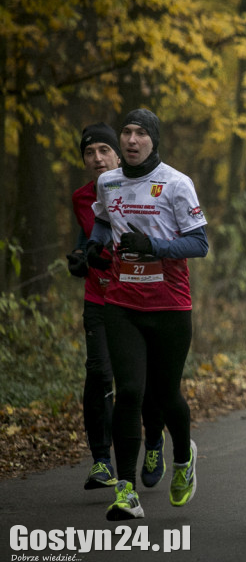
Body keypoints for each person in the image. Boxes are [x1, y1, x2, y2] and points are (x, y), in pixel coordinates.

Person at [87, 109, 208, 520]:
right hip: (123, 304)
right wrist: (93, 246)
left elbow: (199, 244)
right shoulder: (108, 182)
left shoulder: (176, 184)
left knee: (165, 394)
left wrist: (154, 247)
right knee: (130, 392)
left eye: (140, 133)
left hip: (170, 306)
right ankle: (125, 491)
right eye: (127, 133)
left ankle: (183, 459)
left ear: (153, 139)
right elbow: (103, 225)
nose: (132, 140)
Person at [68, 124, 164, 492]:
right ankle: (102, 461)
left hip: (143, 297)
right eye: (89, 153)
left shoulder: (144, 188)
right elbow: (89, 234)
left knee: (140, 384)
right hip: (100, 299)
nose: (97, 159)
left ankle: (154, 441)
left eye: (104, 150)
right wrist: (81, 258)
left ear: (120, 153)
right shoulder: (81, 197)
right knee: (98, 373)